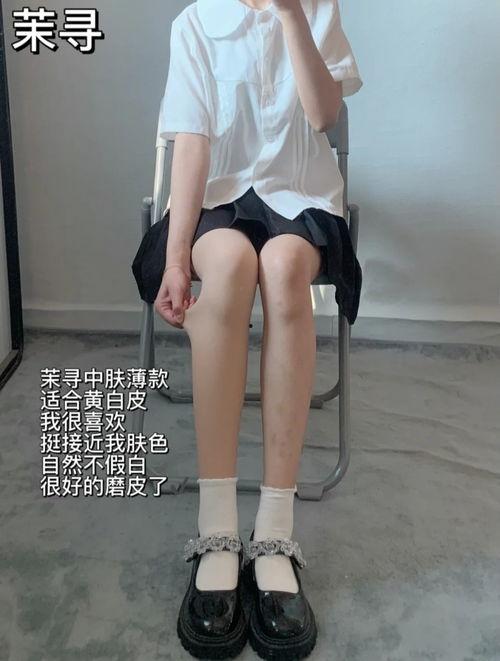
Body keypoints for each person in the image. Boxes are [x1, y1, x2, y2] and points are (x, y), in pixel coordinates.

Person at [132, 0, 363, 658]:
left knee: (284, 267)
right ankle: (216, 529)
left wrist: (291, 15)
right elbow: (192, 147)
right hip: (218, 198)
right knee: (231, 264)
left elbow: (324, 115)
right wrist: (178, 259)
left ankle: (275, 533)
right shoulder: (195, 24)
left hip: (301, 195)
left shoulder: (315, 9)